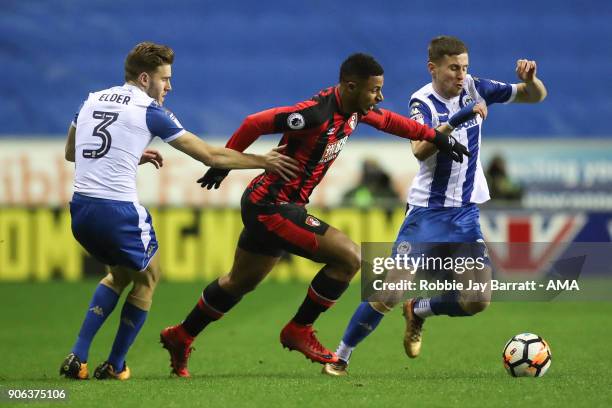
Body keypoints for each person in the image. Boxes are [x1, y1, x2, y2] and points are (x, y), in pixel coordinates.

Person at [159, 53, 471, 378]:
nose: (379, 97)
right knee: (350, 258)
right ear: (351, 87)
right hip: (272, 205)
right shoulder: (314, 114)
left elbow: (391, 121)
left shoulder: (353, 111)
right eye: (374, 90)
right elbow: (254, 122)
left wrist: (436, 137)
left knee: (238, 283)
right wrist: (222, 163)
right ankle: (299, 328)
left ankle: (180, 336)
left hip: (275, 205)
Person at [59, 42, 299, 381]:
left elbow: (72, 152)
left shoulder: (92, 98)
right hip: (118, 211)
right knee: (150, 276)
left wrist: (131, 153)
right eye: (165, 79)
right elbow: (210, 157)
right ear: (145, 78)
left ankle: (78, 356)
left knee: (121, 275)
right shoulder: (149, 110)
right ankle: (115, 364)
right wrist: (263, 161)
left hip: (81, 211)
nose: (169, 87)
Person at [324, 35, 547, 376]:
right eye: (454, 68)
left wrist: (530, 81)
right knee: (390, 289)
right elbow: (419, 149)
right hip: (427, 213)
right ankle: (340, 355)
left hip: (465, 214)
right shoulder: (422, 101)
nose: (461, 75)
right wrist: (459, 117)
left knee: (476, 301)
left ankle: (419, 310)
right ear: (433, 68)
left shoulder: (476, 87)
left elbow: (534, 97)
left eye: (465, 68)